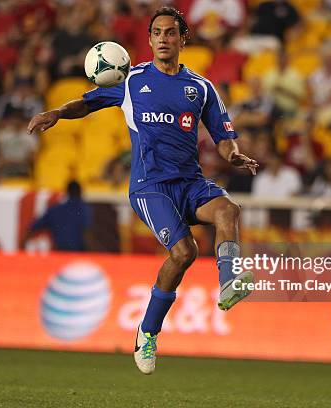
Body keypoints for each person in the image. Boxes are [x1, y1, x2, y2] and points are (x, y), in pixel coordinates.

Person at [27, 7, 258, 375]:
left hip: (190, 182)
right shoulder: (131, 80)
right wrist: (56, 112)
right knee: (184, 253)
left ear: (183, 39)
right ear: (149, 40)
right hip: (150, 186)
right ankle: (147, 332)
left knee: (228, 210)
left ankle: (229, 281)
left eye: (170, 33)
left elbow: (223, 136)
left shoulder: (200, 88)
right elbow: (87, 103)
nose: (163, 39)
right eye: (157, 33)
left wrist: (233, 156)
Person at [25, 181, 92, 251]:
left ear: (67, 192)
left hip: (60, 253)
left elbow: (33, 227)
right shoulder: (83, 208)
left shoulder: (55, 209)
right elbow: (86, 234)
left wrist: (22, 244)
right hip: (77, 253)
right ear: (80, 192)